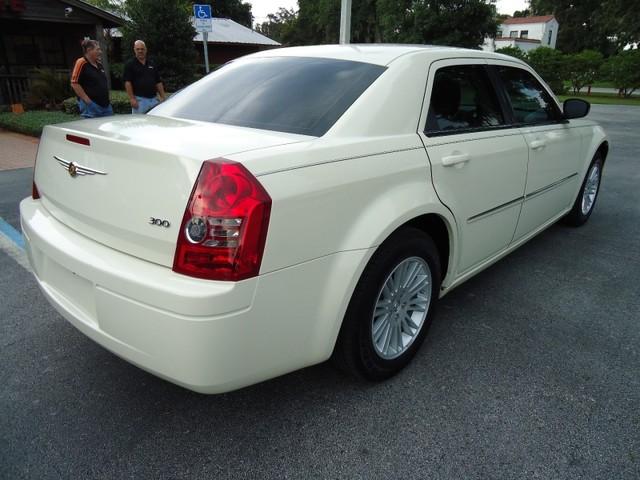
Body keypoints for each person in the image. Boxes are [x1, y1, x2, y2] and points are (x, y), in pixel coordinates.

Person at [70, 39, 113, 118]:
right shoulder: (81, 62)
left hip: (106, 106)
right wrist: (88, 101)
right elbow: (74, 83)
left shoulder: (99, 64)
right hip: (91, 107)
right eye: (98, 49)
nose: (100, 52)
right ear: (89, 50)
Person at [123, 40, 166, 114]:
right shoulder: (130, 64)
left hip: (154, 100)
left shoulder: (152, 63)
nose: (140, 51)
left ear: (146, 50)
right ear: (134, 50)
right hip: (140, 101)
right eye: (138, 49)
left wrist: (163, 97)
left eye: (142, 49)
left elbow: (158, 81)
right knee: (139, 124)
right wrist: (132, 99)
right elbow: (127, 82)